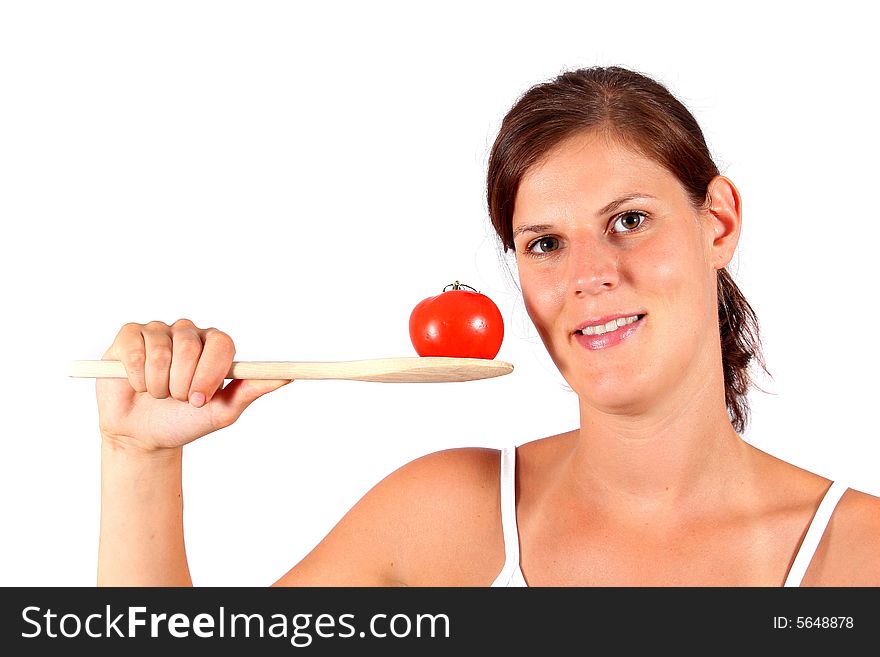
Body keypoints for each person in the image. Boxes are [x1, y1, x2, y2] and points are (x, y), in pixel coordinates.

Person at [95, 66, 880, 587]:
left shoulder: (860, 555)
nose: (588, 276)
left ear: (718, 222)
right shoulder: (446, 515)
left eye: (630, 219)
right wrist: (139, 457)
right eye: (545, 243)